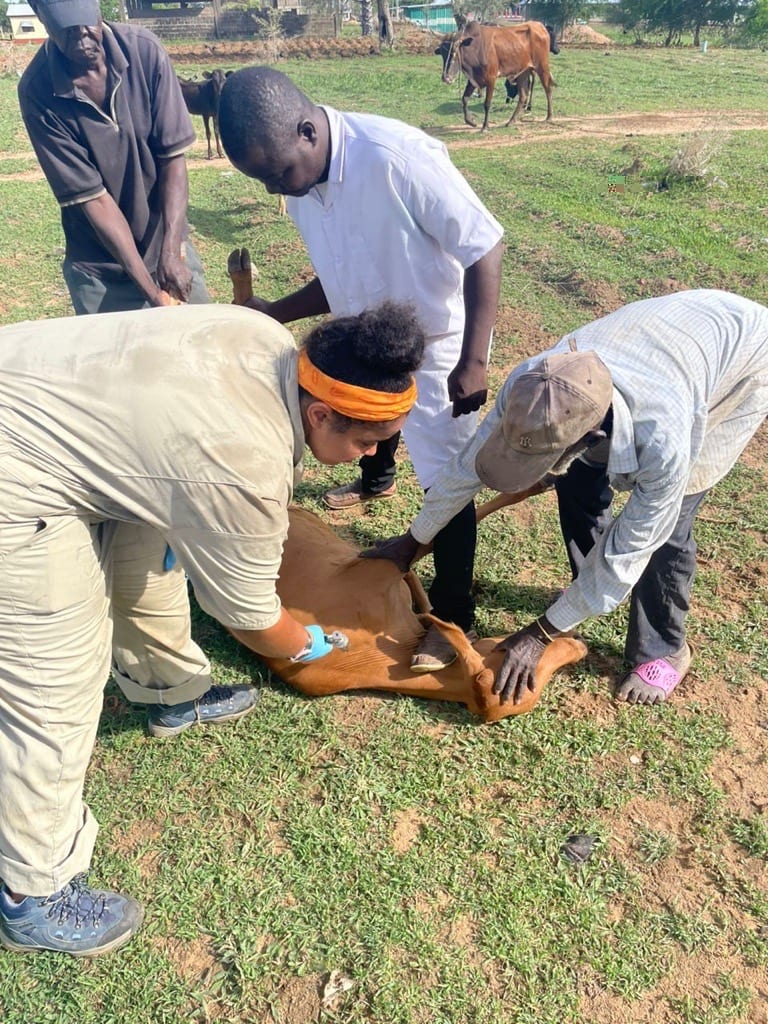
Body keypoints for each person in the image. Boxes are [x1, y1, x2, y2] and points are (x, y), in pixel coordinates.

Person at [0, 300, 423, 957]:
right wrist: (305, 643)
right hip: (17, 473)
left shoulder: (267, 340)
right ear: (319, 414)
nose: (371, 454)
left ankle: (170, 689)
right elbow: (251, 614)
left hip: (67, 414)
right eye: (367, 443)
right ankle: (33, 894)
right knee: (54, 683)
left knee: (150, 564)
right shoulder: (241, 464)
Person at [217, 66, 504, 673]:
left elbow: (484, 244)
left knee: (448, 484)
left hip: (436, 350)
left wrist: (474, 360)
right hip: (363, 344)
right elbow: (339, 273)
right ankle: (379, 488)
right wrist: (276, 311)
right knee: (356, 437)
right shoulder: (303, 188)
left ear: (306, 130)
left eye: (276, 173)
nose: (275, 190)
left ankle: (452, 615)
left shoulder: (395, 157)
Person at [362, 289, 768, 706]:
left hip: (741, 360)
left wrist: (539, 635)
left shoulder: (665, 441)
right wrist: (411, 542)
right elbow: (466, 469)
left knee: (669, 528)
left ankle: (664, 647)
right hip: (665, 337)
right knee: (576, 486)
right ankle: (581, 596)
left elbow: (633, 544)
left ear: (590, 438)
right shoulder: (535, 383)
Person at [18, 0, 209, 314]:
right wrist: (154, 295)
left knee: (202, 347)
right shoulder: (38, 91)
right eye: (66, 29)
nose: (81, 37)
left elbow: (172, 159)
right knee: (115, 362)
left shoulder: (145, 52)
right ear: (41, 17)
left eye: (85, 23)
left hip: (168, 248)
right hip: (100, 272)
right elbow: (95, 201)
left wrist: (172, 251)